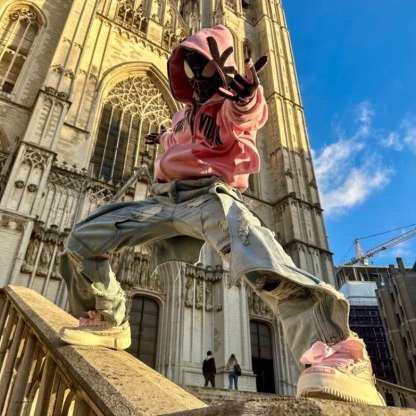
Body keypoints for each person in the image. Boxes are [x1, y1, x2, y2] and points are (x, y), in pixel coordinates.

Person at [58, 25, 385, 406]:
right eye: (192, 66)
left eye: (204, 65)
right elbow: (179, 136)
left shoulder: (225, 105)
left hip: (208, 195)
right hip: (166, 198)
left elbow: (243, 115)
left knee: (260, 260)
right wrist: (161, 139)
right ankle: (107, 317)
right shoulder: (185, 115)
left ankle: (337, 351)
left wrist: (246, 96)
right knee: (84, 238)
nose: (198, 74)